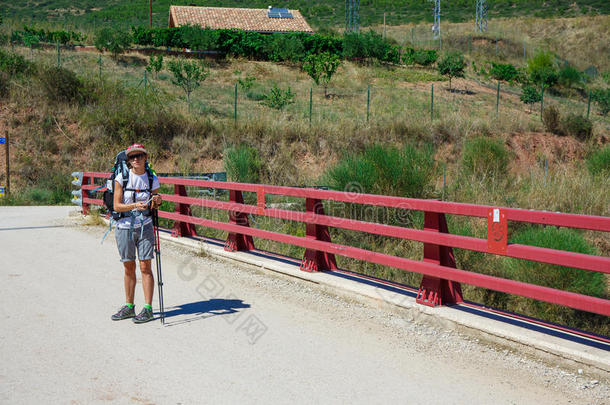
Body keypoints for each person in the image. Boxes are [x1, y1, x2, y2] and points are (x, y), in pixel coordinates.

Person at [110, 144, 162, 323]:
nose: (136, 159)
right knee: (128, 266)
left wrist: (157, 200)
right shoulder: (121, 178)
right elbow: (116, 206)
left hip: (146, 225)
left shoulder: (151, 178)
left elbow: (156, 203)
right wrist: (134, 206)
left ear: (145, 158)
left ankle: (147, 308)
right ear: (128, 160)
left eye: (139, 156)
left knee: (146, 267)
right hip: (124, 226)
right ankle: (129, 306)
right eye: (132, 157)